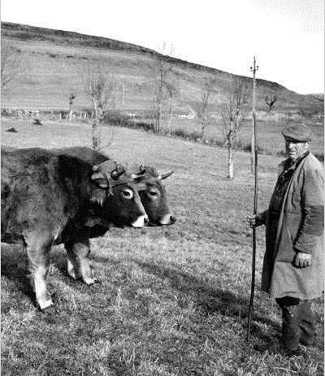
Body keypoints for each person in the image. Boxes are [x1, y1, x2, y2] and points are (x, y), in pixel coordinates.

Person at [247, 123, 324, 356]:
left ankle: (288, 347)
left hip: (297, 243)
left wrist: (304, 249)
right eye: (288, 142)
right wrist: (262, 217)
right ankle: (306, 337)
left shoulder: (310, 169)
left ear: (306, 145)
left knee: (291, 294)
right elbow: (284, 203)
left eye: (296, 143)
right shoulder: (291, 166)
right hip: (284, 240)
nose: (291, 146)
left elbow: (317, 212)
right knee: (299, 290)